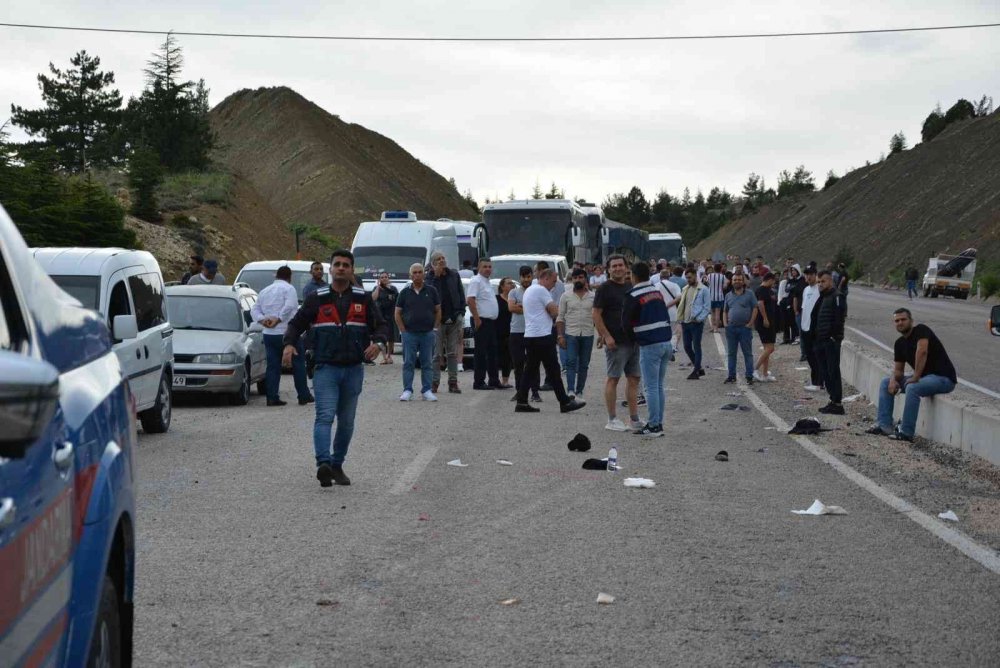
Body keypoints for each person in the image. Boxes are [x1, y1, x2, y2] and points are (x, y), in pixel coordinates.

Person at [282, 249, 388, 488]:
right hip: (325, 368)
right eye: (337, 264)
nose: (341, 268)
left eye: (345, 265)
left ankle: (337, 465)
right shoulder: (316, 298)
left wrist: (378, 344)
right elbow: (296, 324)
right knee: (325, 416)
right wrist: (288, 344)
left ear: (351, 271)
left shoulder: (363, 298)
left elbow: (381, 325)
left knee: (347, 422)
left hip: (353, 369)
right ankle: (323, 464)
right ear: (330, 269)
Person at [866, 308, 957, 442]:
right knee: (886, 382)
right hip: (924, 378)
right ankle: (884, 425)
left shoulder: (921, 330)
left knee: (912, 387)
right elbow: (899, 371)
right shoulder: (899, 343)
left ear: (911, 321)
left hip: (943, 378)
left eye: (903, 319)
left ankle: (906, 432)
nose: (900, 323)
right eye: (897, 321)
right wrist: (893, 380)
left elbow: (922, 351)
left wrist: (916, 376)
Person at [513, 269, 586, 414]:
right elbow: (554, 311)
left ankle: (521, 401)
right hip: (542, 336)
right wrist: (556, 310)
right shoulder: (541, 290)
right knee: (553, 369)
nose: (554, 285)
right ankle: (564, 402)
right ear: (545, 278)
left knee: (531, 370)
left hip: (531, 335)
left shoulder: (530, 290)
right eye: (553, 281)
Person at [593, 255, 643, 432]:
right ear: (608, 270)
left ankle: (634, 419)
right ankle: (612, 419)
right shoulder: (604, 289)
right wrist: (606, 336)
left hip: (633, 341)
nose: (617, 268)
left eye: (620, 265)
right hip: (616, 342)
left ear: (626, 267)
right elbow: (596, 314)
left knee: (634, 378)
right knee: (613, 378)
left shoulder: (631, 286)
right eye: (613, 266)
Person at [251, 266, 314, 407]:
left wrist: (263, 320)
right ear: (289, 277)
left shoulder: (264, 291)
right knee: (298, 364)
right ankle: (303, 395)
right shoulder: (289, 289)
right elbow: (290, 306)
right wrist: (278, 319)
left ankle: (272, 397)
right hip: (288, 333)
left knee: (272, 366)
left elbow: (254, 309)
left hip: (269, 334)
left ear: (276, 276)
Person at [622, 262, 672, 438]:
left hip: (649, 344)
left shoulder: (633, 295)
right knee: (658, 386)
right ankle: (658, 422)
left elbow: (626, 323)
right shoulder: (656, 292)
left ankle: (653, 425)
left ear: (633, 276)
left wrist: (633, 340)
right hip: (666, 341)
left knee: (650, 387)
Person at [395, 263, 441, 402]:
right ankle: (407, 390)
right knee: (408, 363)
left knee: (427, 363)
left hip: (427, 333)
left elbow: (438, 310)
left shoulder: (432, 291)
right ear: (410, 275)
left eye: (420, 272)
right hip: (409, 333)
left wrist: (435, 328)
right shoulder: (404, 293)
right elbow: (397, 313)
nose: (417, 275)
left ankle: (427, 390)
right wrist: (403, 330)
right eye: (414, 272)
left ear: (424, 274)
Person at [426, 251, 466, 393]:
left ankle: (453, 383)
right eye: (438, 259)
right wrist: (436, 277)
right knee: (436, 355)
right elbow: (430, 295)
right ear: (433, 263)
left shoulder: (454, 275)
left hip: (454, 319)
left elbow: (461, 294)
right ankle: (434, 382)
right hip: (437, 321)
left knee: (452, 353)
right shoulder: (429, 278)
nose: (442, 261)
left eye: (443, 258)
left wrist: (461, 312)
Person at [813, 270, 847, 415]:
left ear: (830, 281)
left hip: (830, 341)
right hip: (821, 340)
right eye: (818, 282)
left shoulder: (837, 296)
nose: (820, 284)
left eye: (823, 281)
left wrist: (834, 337)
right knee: (825, 372)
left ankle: (837, 403)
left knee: (833, 371)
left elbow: (839, 318)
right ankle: (832, 400)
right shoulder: (823, 297)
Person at [557, 268, 595, 399]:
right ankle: (570, 390)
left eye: (580, 277)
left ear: (585, 279)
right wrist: (560, 336)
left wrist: (602, 335)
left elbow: (597, 317)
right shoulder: (565, 296)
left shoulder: (593, 296)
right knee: (571, 362)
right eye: (575, 278)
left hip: (588, 334)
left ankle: (579, 391)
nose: (578, 280)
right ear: (572, 280)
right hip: (571, 334)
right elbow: (560, 317)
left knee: (584, 364)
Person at [467, 257, 502, 390]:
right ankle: (479, 381)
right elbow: (470, 300)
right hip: (481, 320)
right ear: (479, 268)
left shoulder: (487, 282)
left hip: (490, 322)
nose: (488, 269)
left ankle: (494, 380)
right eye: (485, 267)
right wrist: (477, 319)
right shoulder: (476, 281)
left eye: (489, 266)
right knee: (481, 352)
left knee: (492, 351)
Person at [508, 266, 541, 403]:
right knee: (518, 364)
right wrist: (528, 308)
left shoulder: (536, 292)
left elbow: (539, 309)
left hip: (533, 332)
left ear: (532, 277)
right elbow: (511, 307)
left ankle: (535, 392)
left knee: (533, 363)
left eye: (528, 276)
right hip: (516, 331)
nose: (526, 279)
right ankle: (519, 392)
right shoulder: (513, 292)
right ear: (519, 277)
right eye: (523, 276)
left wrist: (521, 306)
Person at [722, 273, 757, 384]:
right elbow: (725, 311)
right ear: (732, 282)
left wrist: (750, 323)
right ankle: (731, 376)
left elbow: (755, 308)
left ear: (743, 282)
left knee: (748, 353)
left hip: (745, 328)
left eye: (739, 279)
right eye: (735, 280)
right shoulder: (728, 295)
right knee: (731, 353)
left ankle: (749, 376)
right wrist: (725, 324)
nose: (737, 281)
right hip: (731, 328)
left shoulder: (750, 294)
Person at [677, 268, 710, 380]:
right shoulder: (685, 289)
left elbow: (707, 307)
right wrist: (680, 319)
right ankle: (699, 368)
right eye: (687, 278)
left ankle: (696, 370)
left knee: (696, 346)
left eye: (690, 277)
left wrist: (699, 319)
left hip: (696, 323)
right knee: (686, 346)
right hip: (685, 322)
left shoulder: (704, 289)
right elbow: (683, 304)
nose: (688, 279)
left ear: (696, 276)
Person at [797, 266, 824, 391]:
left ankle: (818, 382)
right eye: (806, 274)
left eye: (811, 274)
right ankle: (815, 381)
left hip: (815, 329)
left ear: (815, 275)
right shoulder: (806, 289)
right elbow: (804, 309)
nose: (808, 277)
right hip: (805, 327)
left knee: (816, 356)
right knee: (809, 355)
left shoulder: (819, 289)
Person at [753, 272, 778, 382]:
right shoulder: (761, 290)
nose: (773, 283)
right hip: (764, 322)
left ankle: (765, 374)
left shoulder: (768, 290)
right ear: (770, 280)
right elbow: (760, 304)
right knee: (770, 348)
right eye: (773, 281)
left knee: (767, 348)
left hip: (770, 321)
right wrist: (765, 318)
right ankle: (754, 369)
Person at [372, 272, 399, 364]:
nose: (384, 278)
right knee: (382, 337)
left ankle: (389, 356)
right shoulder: (376, 288)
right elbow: (373, 298)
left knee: (391, 337)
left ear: (388, 278)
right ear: (379, 279)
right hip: (380, 316)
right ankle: (384, 357)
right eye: (382, 277)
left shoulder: (393, 289)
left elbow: (397, 301)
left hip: (391, 315)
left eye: (385, 277)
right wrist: (378, 287)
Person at [496, 278, 515, 388]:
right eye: (509, 283)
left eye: (512, 283)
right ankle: (494, 379)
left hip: (512, 331)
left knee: (508, 357)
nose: (512, 285)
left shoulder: (515, 299)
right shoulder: (497, 299)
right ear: (502, 287)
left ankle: (505, 380)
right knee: (497, 356)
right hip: (498, 332)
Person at [779, 265, 802, 344]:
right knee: (786, 320)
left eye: (794, 270)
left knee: (794, 321)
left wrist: (793, 288)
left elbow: (798, 289)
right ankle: (786, 338)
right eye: (792, 271)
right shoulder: (790, 280)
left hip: (797, 302)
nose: (793, 272)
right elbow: (787, 289)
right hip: (788, 301)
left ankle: (795, 337)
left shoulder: (801, 280)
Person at [706, 263, 726, 333]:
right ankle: (716, 328)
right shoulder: (723, 276)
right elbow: (724, 286)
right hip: (719, 297)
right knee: (718, 313)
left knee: (712, 313)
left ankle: (712, 327)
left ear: (714, 269)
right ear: (721, 269)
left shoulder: (709, 275)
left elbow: (707, 283)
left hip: (710, 296)